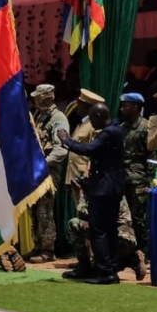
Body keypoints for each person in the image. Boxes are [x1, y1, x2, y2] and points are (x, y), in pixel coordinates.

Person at [59, 103, 125, 285]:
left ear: (98, 116)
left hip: (104, 188)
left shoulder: (109, 132)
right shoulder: (115, 129)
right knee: (109, 229)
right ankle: (109, 268)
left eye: (92, 118)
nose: (91, 122)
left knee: (99, 229)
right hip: (109, 187)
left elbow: (89, 149)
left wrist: (66, 141)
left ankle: (105, 271)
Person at [28, 84, 70, 263]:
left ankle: (47, 249)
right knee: (34, 208)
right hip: (35, 171)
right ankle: (37, 246)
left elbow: (61, 150)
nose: (35, 101)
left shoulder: (58, 118)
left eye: (38, 97)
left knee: (45, 210)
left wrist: (43, 165)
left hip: (48, 171)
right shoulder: (40, 116)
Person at [64, 197, 145, 281]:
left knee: (102, 270)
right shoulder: (91, 192)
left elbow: (103, 216)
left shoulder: (107, 191)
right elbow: (81, 210)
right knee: (74, 223)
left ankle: (132, 259)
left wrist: (92, 221)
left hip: (121, 238)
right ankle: (84, 267)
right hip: (107, 236)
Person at [119, 92, 151, 253]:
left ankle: (144, 250)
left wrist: (150, 182)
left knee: (139, 218)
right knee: (125, 217)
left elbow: (151, 156)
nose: (122, 109)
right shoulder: (122, 127)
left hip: (138, 179)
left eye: (126, 106)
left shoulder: (146, 127)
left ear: (136, 107)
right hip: (123, 178)